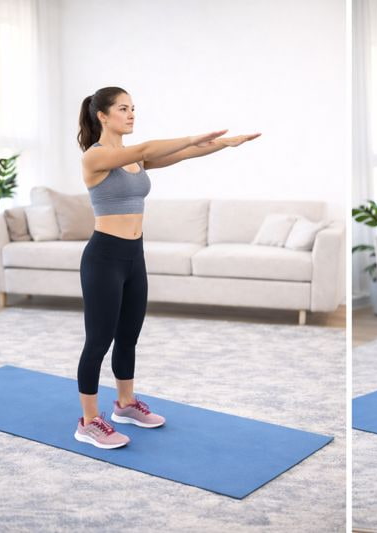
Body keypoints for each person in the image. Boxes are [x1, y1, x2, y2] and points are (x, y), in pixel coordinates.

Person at [72, 86, 261, 449]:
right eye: (123, 109)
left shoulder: (134, 160)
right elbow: (145, 148)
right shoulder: (94, 158)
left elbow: (184, 154)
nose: (131, 114)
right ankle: (89, 420)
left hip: (133, 256)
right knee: (99, 340)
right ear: (102, 116)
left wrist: (225, 143)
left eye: (133, 108)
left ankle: (125, 404)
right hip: (104, 258)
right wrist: (193, 134)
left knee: (129, 335)